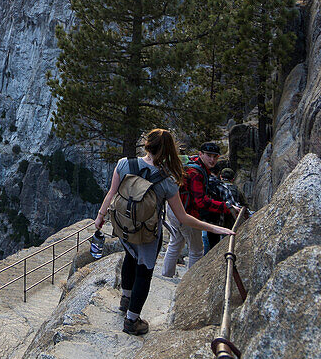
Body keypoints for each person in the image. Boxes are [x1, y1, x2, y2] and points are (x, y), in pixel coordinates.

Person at [93, 129, 236, 336]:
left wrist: (100, 216)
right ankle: (132, 321)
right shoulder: (167, 180)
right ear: (170, 150)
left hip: (124, 226)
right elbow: (184, 217)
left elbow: (111, 193)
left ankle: (125, 299)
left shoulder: (125, 163)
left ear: (146, 145)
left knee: (129, 258)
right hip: (149, 233)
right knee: (144, 271)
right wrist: (215, 228)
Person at [161, 142, 241, 277]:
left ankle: (166, 275)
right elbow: (201, 201)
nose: (212, 160)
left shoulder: (191, 163)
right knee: (197, 250)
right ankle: (189, 284)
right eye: (209, 156)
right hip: (187, 213)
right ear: (201, 154)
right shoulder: (196, 173)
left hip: (173, 208)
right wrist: (226, 206)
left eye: (215, 157)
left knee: (175, 243)